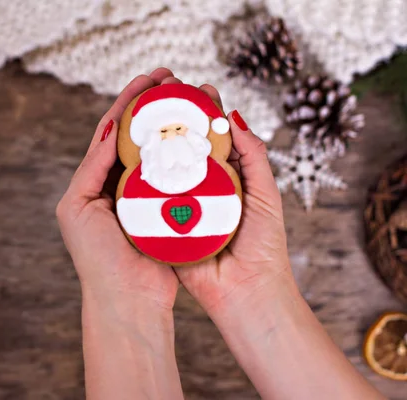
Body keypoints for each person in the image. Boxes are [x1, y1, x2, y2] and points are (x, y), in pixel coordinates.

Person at [56, 68, 384, 400]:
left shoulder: (216, 174)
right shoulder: (137, 180)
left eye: (180, 128)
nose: (171, 136)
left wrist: (255, 288)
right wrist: (125, 299)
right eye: (164, 130)